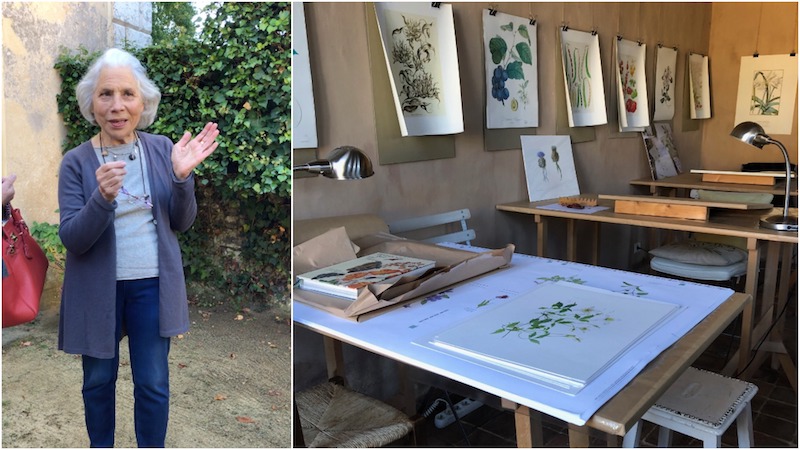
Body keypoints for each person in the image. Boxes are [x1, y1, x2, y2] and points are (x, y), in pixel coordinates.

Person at [57, 47, 219, 448]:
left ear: (143, 102)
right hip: (97, 291)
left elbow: (181, 221)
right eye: (105, 94)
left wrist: (182, 178)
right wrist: (102, 199)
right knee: (97, 382)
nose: (117, 106)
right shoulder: (75, 163)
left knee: (153, 383)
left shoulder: (163, 149)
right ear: (90, 103)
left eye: (127, 94)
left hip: (151, 286)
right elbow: (73, 238)